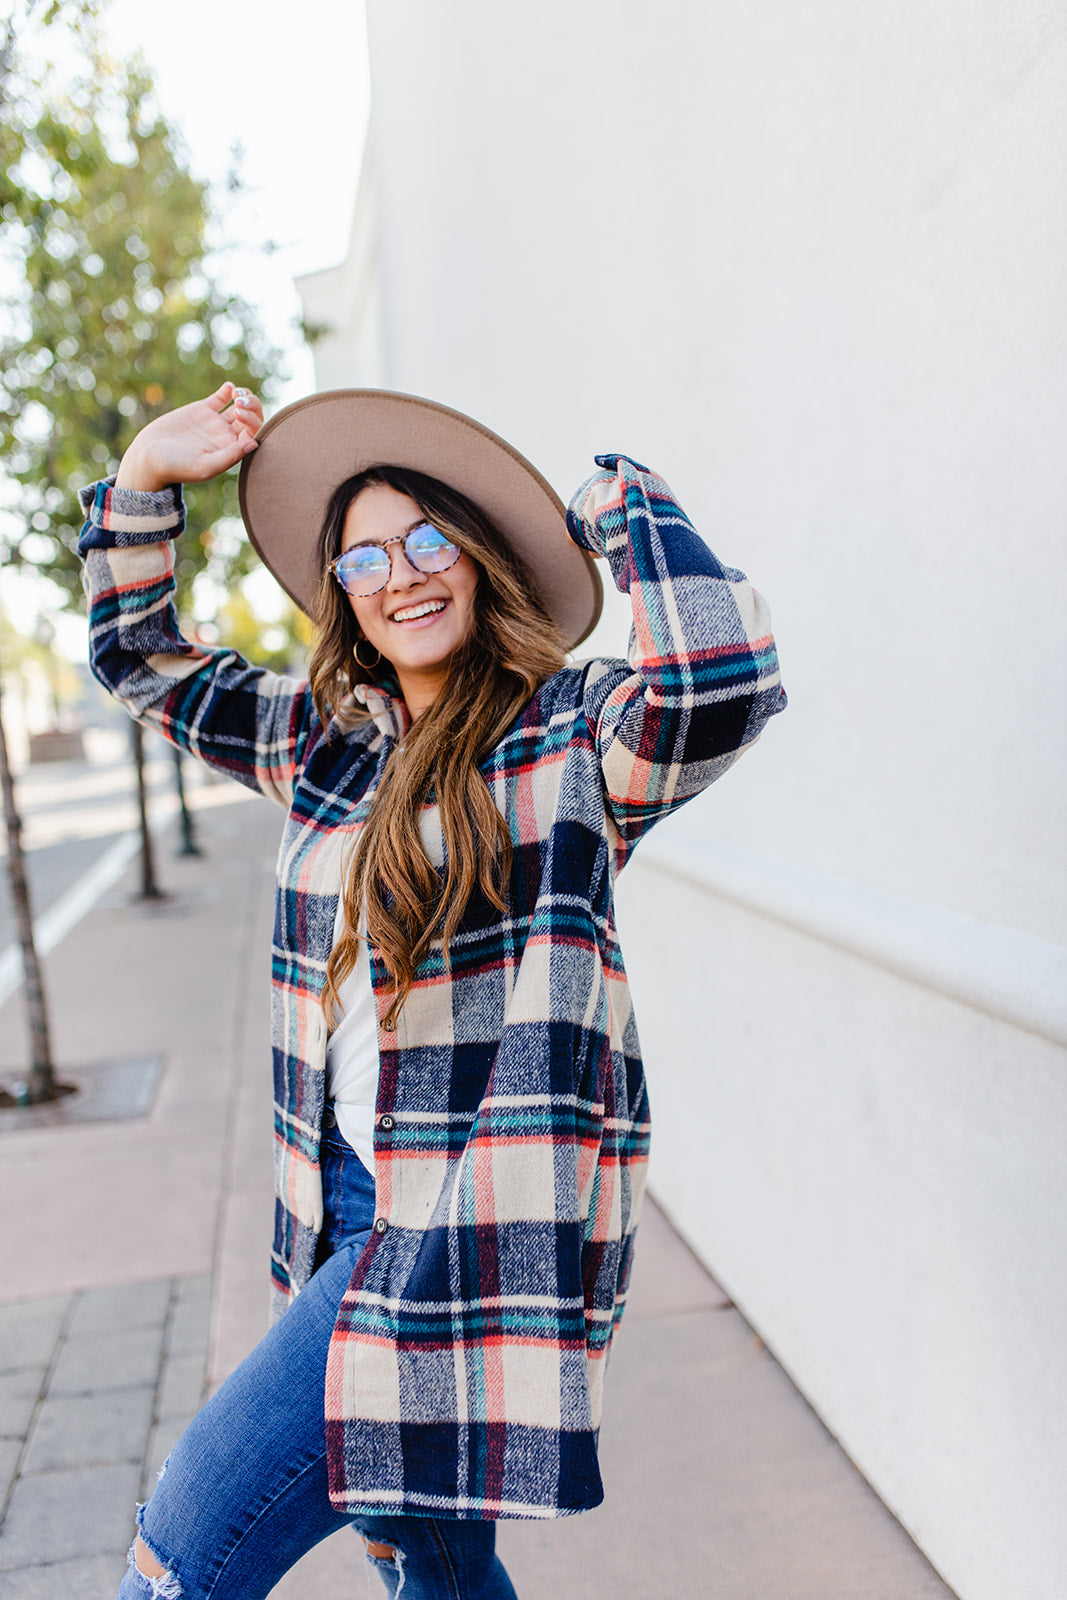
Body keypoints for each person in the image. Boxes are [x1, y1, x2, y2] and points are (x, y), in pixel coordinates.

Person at [78, 381, 786, 1599]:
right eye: (363, 557)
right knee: (432, 1559)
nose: (399, 575)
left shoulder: (568, 737)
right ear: (341, 592)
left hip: (455, 1226)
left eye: (426, 541)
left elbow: (719, 681)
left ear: (475, 557)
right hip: (337, 1201)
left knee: (177, 1560)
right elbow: (142, 662)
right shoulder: (325, 744)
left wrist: (619, 508)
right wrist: (145, 475)